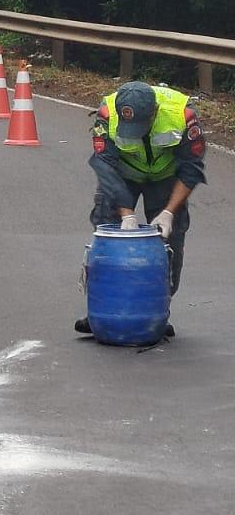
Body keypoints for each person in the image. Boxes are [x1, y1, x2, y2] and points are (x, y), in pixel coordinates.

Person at [77, 80, 206, 335]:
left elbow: (191, 168)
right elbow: (105, 166)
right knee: (107, 232)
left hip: (166, 176)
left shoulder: (183, 115)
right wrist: (127, 214)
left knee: (170, 241)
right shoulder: (107, 115)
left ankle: (155, 312)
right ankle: (102, 312)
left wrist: (169, 212)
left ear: (155, 112)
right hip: (122, 175)